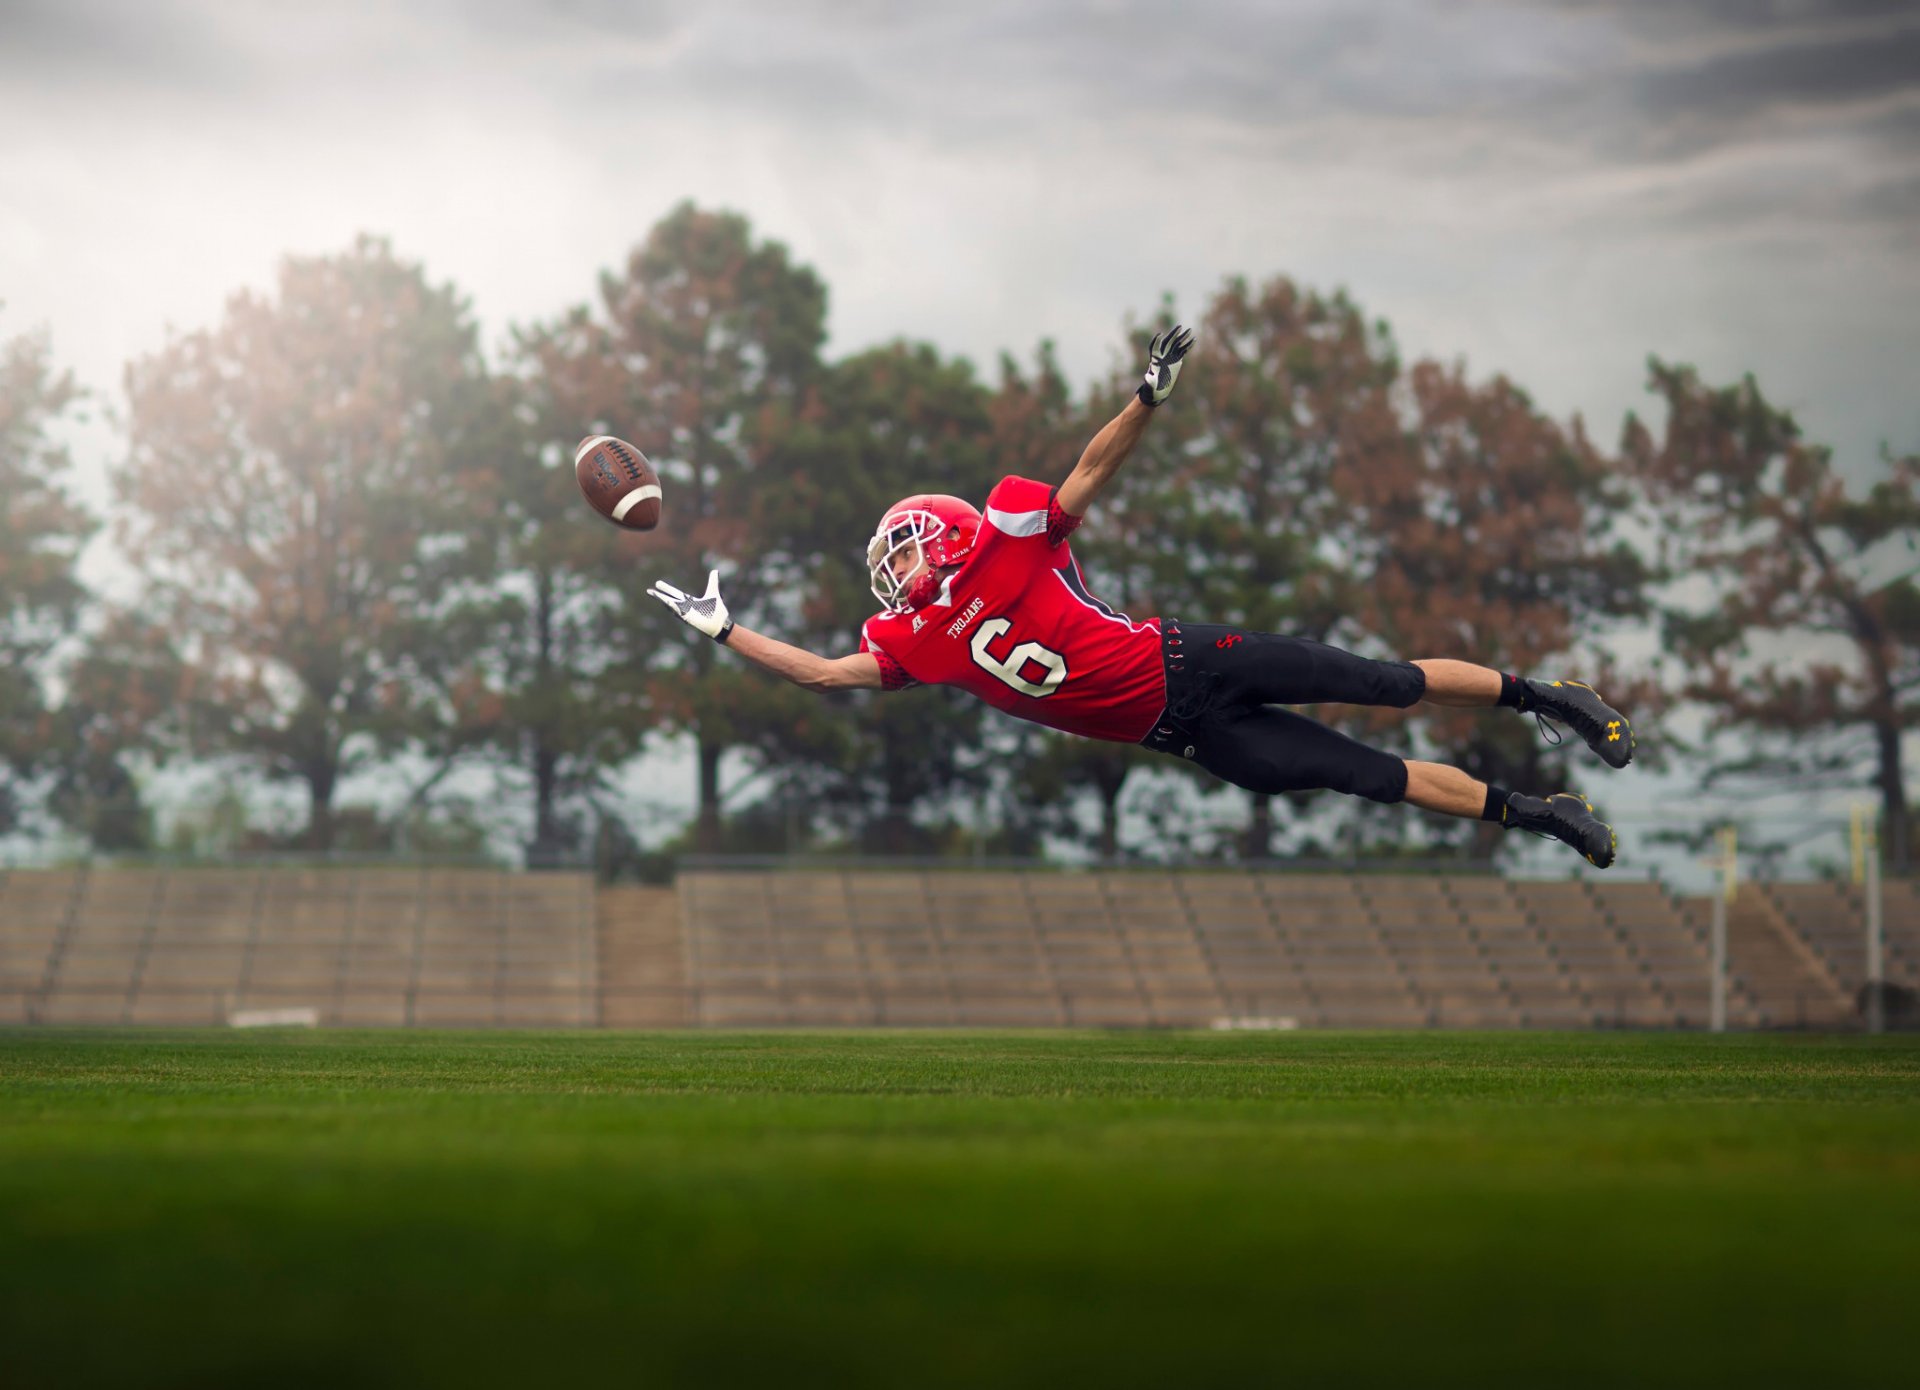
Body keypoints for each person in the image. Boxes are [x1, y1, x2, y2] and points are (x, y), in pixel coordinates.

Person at [648, 325, 1633, 866]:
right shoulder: (921, 642)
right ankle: (1544, 815)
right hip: (1186, 735)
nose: (893, 569)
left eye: (900, 548)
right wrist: (727, 629)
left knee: (1382, 680)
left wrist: (1146, 398)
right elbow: (822, 674)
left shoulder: (1005, 533)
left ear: (941, 533)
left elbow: (1087, 472)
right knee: (1365, 776)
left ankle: (1552, 701)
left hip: (1187, 658)